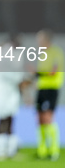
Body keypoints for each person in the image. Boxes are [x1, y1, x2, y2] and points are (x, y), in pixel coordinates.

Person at [34, 28, 64, 161]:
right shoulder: (43, 54)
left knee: (48, 118)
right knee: (40, 119)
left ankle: (54, 150)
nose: (38, 42)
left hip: (51, 89)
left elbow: (52, 72)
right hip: (41, 89)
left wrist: (37, 73)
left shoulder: (56, 53)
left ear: (46, 39)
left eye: (39, 39)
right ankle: (42, 151)